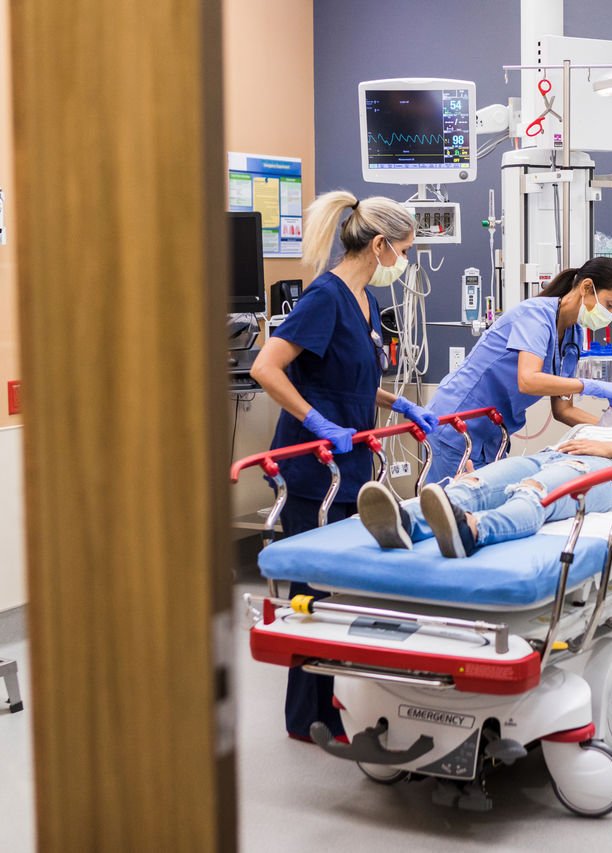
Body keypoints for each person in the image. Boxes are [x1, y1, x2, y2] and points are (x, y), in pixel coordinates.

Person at [248, 189, 439, 741]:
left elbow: (345, 376)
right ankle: (308, 718)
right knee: (313, 594)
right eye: (403, 251)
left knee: (340, 593)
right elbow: (267, 367)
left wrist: (395, 402)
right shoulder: (325, 297)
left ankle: (336, 706)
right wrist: (315, 422)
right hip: (314, 469)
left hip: (350, 464)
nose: (404, 263)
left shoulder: (362, 303)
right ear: (379, 245)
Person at [358, 393, 612, 557]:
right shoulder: (588, 428)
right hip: (551, 456)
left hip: (606, 472)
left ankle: (473, 531)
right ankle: (405, 522)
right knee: (477, 484)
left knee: (532, 491)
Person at [423, 256, 612, 485]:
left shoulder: (573, 335)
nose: (611, 315)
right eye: (610, 305)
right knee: (449, 512)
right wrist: (591, 385)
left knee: (479, 512)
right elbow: (528, 380)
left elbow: (563, 410)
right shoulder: (535, 315)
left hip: (493, 434)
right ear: (587, 287)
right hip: (457, 425)